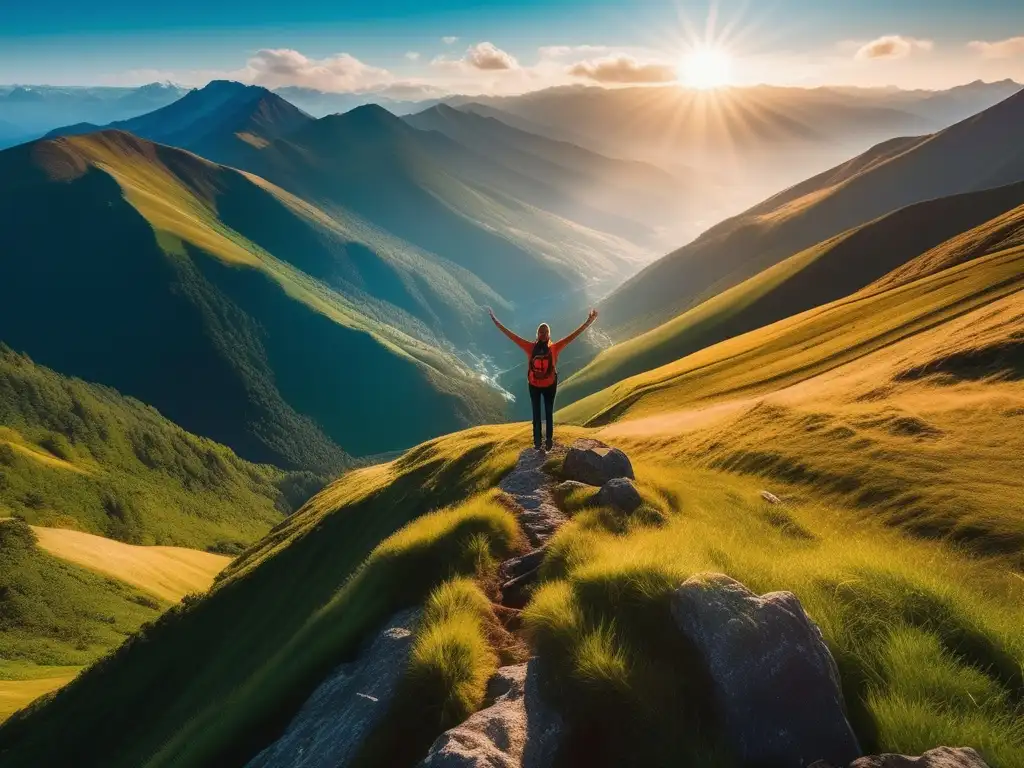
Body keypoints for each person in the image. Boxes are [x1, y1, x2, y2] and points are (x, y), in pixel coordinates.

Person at [488, 307, 599, 451]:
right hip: (550, 384)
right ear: (548, 335)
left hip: (533, 384)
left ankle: (537, 443)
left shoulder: (530, 347)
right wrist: (589, 321)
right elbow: (573, 336)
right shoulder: (554, 348)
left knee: (536, 413)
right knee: (548, 413)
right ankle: (549, 442)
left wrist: (495, 321)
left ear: (538, 334)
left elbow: (512, 336)